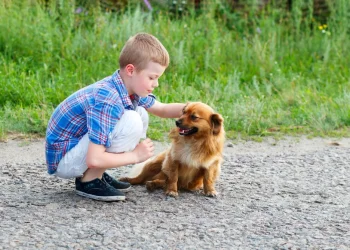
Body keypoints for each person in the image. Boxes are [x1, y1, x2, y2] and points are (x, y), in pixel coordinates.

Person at [45, 33, 185, 201]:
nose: (156, 84)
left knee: (139, 114)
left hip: (77, 148)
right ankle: (89, 180)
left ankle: (96, 174)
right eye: (152, 78)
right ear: (131, 70)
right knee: (132, 120)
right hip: (65, 159)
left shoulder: (129, 87)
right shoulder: (108, 100)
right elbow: (94, 158)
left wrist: (194, 109)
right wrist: (135, 156)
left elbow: (161, 109)